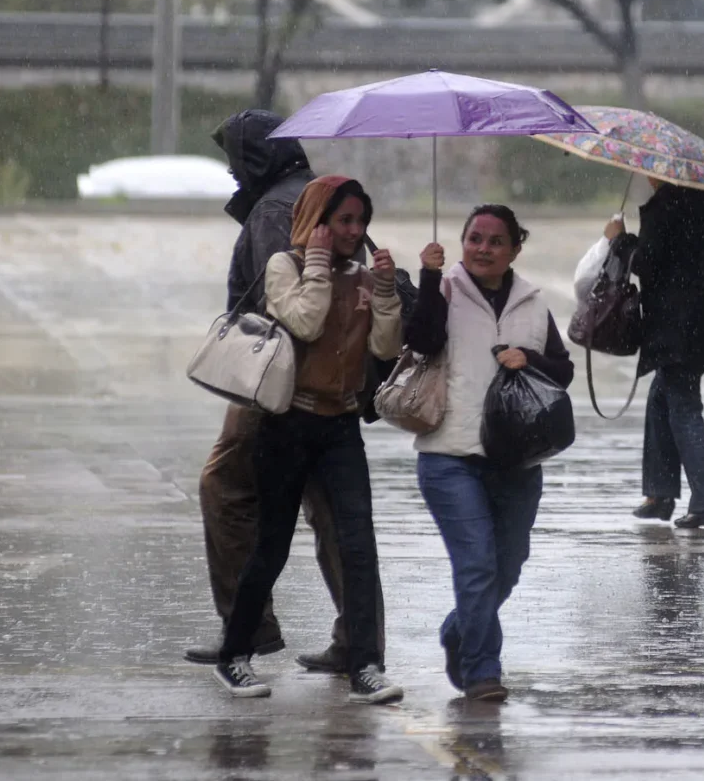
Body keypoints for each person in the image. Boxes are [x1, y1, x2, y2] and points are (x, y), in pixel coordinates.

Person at [188, 110, 385, 673]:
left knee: (228, 488)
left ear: (251, 158)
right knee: (335, 519)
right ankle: (357, 643)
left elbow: (296, 311)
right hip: (319, 386)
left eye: (234, 158)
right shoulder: (308, 194)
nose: (230, 173)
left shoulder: (278, 208)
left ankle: (248, 629)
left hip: (283, 384)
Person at [213, 175, 403, 704]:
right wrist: (318, 266)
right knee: (271, 546)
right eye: (342, 220)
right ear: (316, 221)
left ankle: (366, 665)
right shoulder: (285, 267)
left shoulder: (364, 280)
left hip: (340, 427)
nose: (354, 230)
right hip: (287, 424)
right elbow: (305, 324)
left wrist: (385, 292)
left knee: (358, 547)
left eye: (360, 221)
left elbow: (386, 348)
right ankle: (235, 654)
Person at [405, 205, 574, 702]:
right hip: (449, 454)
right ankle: (483, 671)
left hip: (517, 460)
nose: (483, 249)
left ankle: (459, 630)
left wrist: (531, 359)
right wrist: (429, 276)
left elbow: (561, 373)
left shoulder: (532, 303)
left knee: (509, 562)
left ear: (515, 249)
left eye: (495, 241)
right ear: (461, 242)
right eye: (474, 238)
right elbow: (419, 342)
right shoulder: (443, 290)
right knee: (477, 564)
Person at [607, 180, 704, 530]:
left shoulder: (664, 208)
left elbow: (646, 263)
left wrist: (620, 238)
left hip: (675, 329)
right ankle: (659, 494)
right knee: (663, 395)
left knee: (683, 405)